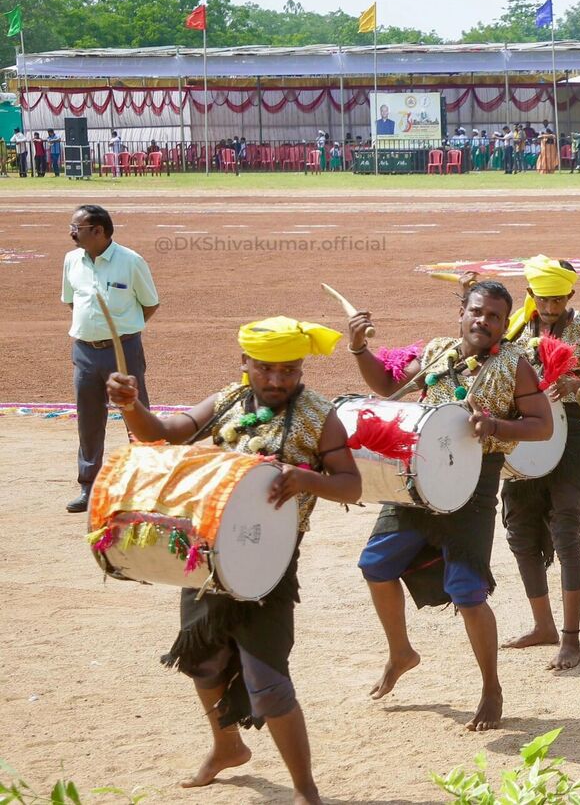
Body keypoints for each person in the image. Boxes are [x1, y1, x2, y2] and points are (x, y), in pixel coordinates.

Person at [105, 317, 362, 805]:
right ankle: (227, 746)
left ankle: (306, 790)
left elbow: (350, 484)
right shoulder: (226, 400)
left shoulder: (317, 415)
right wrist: (131, 405)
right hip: (206, 554)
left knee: (268, 683)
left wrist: (307, 480)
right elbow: (163, 435)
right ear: (244, 364)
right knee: (202, 662)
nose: (277, 381)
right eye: (265, 368)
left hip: (270, 564)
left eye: (289, 370)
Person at [346, 281, 554, 731]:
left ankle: (491, 688)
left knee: (468, 592)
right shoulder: (439, 352)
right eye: (477, 311)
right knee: (375, 565)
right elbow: (387, 386)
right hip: (418, 479)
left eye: (495, 316)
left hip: (472, 487)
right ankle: (401, 652)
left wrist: (494, 424)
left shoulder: (514, 364)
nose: (484, 321)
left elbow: (541, 426)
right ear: (462, 311)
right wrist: (360, 349)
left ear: (503, 323)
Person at [499, 257, 580, 671]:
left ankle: (571, 638)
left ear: (570, 296)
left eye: (558, 298)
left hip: (571, 433)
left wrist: (574, 384)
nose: (551, 306)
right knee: (520, 531)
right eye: (544, 298)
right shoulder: (514, 331)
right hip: (523, 434)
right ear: (531, 296)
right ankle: (543, 626)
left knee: (565, 531)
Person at [62, 205, 159, 513]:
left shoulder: (131, 261)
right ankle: (89, 487)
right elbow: (71, 301)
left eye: (78, 228)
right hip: (85, 351)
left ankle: (146, 486)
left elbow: (150, 304)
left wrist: (123, 331)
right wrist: (93, 331)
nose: (72, 232)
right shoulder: (71, 261)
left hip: (123, 351)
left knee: (137, 417)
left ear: (99, 231)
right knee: (89, 420)